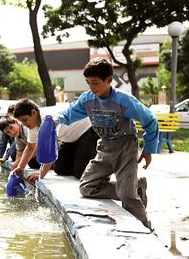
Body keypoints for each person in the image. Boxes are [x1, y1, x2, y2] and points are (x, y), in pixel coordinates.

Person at [57, 57, 159, 229]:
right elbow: (70, 113)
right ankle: (136, 188)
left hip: (126, 147)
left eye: (95, 83)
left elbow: (150, 120)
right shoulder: (87, 99)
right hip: (104, 147)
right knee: (87, 187)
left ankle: (146, 228)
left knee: (127, 196)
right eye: (88, 82)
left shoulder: (124, 101)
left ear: (109, 80)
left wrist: (148, 149)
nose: (91, 87)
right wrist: (55, 120)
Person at [10, 98, 98, 183]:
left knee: (81, 172)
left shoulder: (49, 118)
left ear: (33, 112)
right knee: (60, 169)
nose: (24, 124)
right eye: (22, 122)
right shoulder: (32, 123)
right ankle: (80, 158)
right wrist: (20, 167)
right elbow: (30, 147)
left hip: (87, 131)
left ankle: (100, 164)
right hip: (69, 139)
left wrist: (41, 173)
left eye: (25, 120)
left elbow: (50, 150)